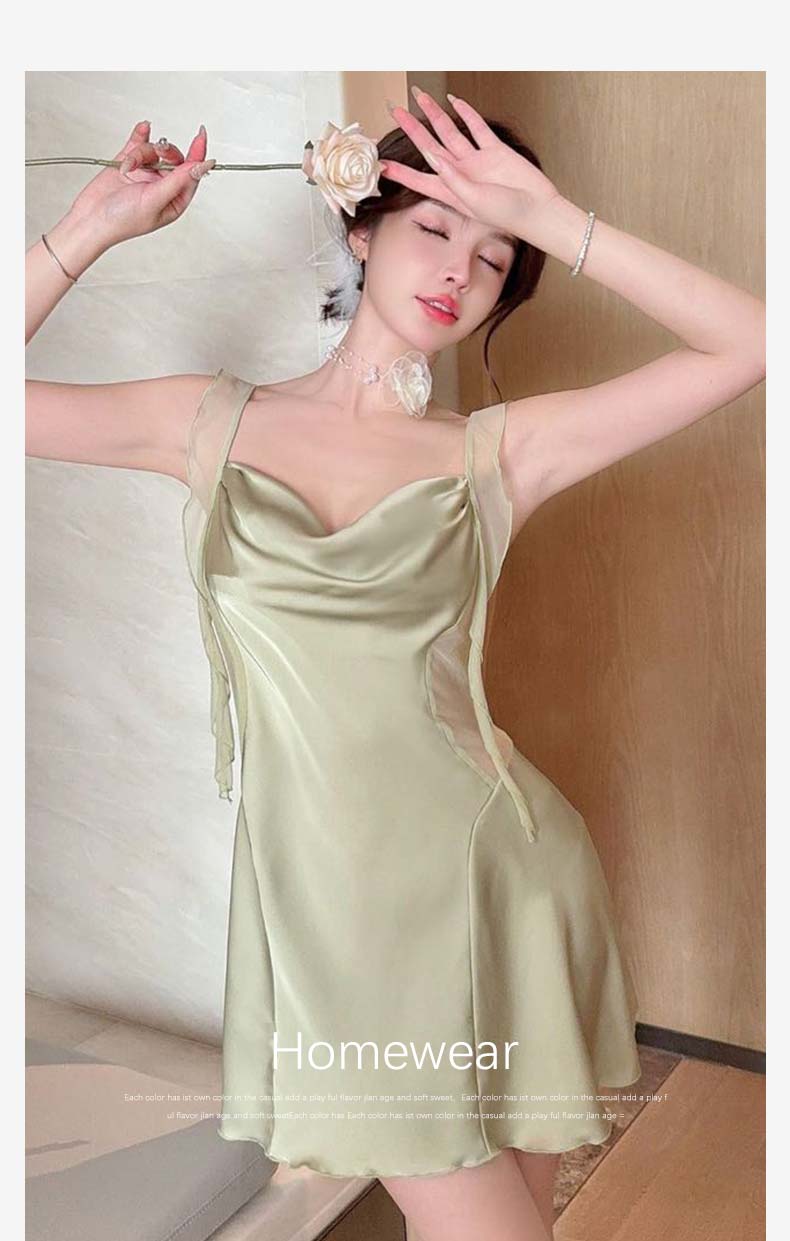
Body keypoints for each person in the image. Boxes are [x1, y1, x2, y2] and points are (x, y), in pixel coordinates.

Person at [26, 86, 765, 1241]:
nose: (459, 270)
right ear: (360, 226)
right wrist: (88, 230)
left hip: (500, 872)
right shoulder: (204, 422)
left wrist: (554, 219)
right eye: (434, 227)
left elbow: (755, 341)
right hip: (332, 913)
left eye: (495, 259)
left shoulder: (495, 454)